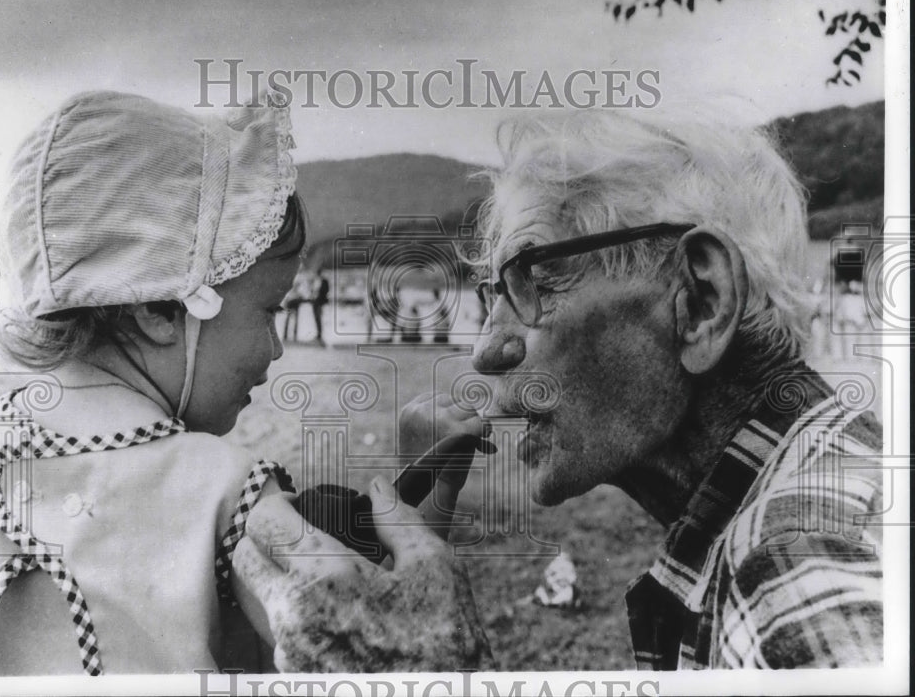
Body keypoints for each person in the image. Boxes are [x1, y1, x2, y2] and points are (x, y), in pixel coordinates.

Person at [236, 107, 884, 671]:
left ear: (700, 300)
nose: (487, 350)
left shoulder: (792, 571)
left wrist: (436, 673)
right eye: (494, 297)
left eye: (536, 285)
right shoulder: (825, 476)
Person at [0, 90, 311, 676]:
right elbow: (347, 641)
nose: (276, 346)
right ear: (160, 311)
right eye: (270, 310)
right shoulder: (225, 486)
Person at [311, 269, 330, 345]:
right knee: (317, 318)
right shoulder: (315, 281)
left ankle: (320, 335)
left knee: (319, 318)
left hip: (320, 302)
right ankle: (318, 334)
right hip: (315, 301)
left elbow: (326, 290)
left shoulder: (324, 281)